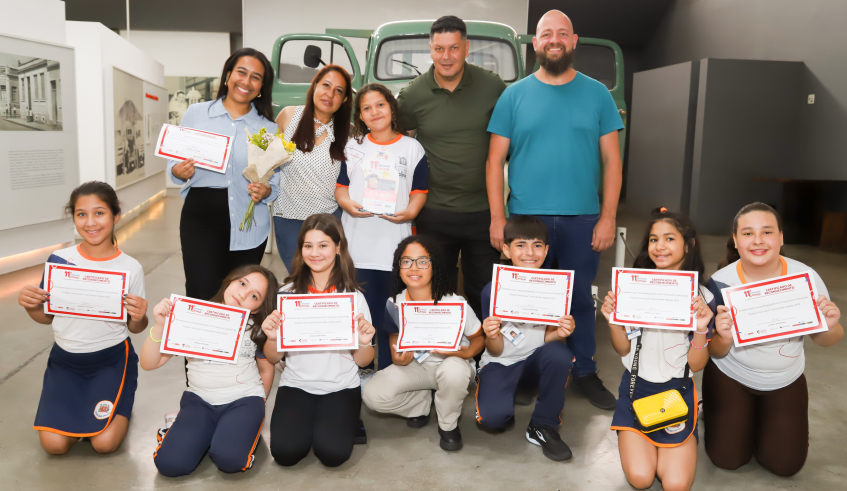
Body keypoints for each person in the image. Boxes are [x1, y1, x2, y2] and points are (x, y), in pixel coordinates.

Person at [486, 10, 625, 410]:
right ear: (535, 43)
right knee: (525, 302)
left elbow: (612, 161)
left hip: (583, 218)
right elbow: (495, 161)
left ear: (574, 40)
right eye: (547, 33)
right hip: (528, 220)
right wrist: (499, 218)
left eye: (562, 33)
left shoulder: (598, 93)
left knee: (580, 299)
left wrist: (609, 217)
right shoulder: (514, 95)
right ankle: (532, 368)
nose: (555, 39)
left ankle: (583, 371)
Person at [704, 203, 842, 477]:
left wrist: (830, 326)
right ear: (735, 240)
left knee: (785, 465)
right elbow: (715, 351)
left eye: (767, 232)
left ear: (781, 237)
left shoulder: (805, 278)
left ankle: (755, 421)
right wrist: (724, 336)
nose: (757, 240)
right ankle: (723, 412)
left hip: (784, 380)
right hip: (731, 377)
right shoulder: (720, 283)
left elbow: (827, 339)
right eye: (747, 233)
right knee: (727, 459)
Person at [18, 181, 148, 455]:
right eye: (81, 214)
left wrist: (139, 316)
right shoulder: (59, 260)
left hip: (110, 361)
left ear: (116, 216)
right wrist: (31, 306)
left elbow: (136, 327)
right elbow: (47, 318)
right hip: (65, 362)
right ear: (73, 217)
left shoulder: (130, 267)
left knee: (104, 444)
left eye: (99, 213)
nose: (90, 222)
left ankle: (122, 401)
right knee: (54, 446)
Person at [397, 15, 507, 320]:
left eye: (454, 48)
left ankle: (480, 357)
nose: (447, 57)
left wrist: (500, 217)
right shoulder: (412, 95)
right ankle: (440, 355)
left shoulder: (492, 87)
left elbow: (509, 140)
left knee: (484, 290)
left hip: (482, 211)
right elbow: (400, 150)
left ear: (466, 48)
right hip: (434, 211)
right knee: (435, 289)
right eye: (440, 49)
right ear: (430, 50)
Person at [600, 208, 714, 491]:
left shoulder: (703, 297)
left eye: (669, 239)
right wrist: (613, 322)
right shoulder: (632, 288)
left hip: (678, 394)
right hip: (635, 390)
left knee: (675, 484)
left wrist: (700, 328)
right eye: (653, 239)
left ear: (688, 245)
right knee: (640, 479)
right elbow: (623, 347)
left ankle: (687, 429)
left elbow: (697, 365)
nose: (659, 247)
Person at [261, 214, 376, 468]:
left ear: (337, 248)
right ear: (300, 249)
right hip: (296, 385)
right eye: (308, 245)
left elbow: (364, 361)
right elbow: (272, 358)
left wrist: (365, 342)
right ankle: (314, 423)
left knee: (333, 454)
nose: (315, 253)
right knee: (286, 453)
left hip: (341, 386)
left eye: (323, 245)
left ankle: (344, 420)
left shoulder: (353, 297)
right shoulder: (287, 294)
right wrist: (272, 338)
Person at [141, 265, 278, 477]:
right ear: (230, 281)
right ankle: (181, 429)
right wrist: (160, 325)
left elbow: (266, 370)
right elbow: (150, 363)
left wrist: (257, 408)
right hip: (199, 401)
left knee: (230, 460)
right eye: (242, 283)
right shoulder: (191, 316)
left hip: (243, 401)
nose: (243, 294)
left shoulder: (257, 327)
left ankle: (239, 430)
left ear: (258, 308)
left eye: (254, 295)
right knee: (170, 465)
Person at [168, 47, 280, 301]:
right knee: (201, 294)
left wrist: (266, 190)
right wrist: (178, 170)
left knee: (240, 300)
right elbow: (174, 164)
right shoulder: (197, 114)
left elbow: (273, 179)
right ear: (228, 76)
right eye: (241, 72)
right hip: (201, 220)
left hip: (248, 223)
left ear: (262, 86)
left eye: (255, 77)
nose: (246, 81)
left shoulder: (266, 128)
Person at [336, 83, 429, 371]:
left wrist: (411, 211)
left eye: (380, 105)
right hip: (357, 249)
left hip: (394, 250)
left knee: (391, 320)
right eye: (367, 108)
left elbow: (419, 191)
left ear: (391, 108)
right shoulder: (353, 147)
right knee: (360, 318)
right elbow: (341, 188)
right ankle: (358, 374)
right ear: (360, 117)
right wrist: (347, 204)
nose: (375, 112)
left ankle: (390, 375)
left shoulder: (412, 148)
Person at [362, 235, 484, 451]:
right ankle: (421, 405)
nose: (414, 268)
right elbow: (393, 336)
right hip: (416, 366)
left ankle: (448, 425)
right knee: (373, 395)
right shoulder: (394, 302)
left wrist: (461, 353)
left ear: (434, 266)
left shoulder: (455, 303)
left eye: (422, 261)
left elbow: (478, 339)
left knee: (454, 372)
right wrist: (398, 357)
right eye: (406, 261)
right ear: (399, 267)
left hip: (453, 364)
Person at [475, 215, 576, 462]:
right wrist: (491, 334)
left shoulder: (557, 288)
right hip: (502, 361)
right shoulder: (493, 290)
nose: (530, 252)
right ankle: (511, 390)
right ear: (507, 250)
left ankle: (543, 425)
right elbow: (495, 350)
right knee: (493, 419)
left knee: (561, 354)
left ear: (546, 250)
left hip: (535, 359)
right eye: (520, 245)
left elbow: (550, 344)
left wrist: (560, 334)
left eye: (537, 245)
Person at [273, 65, 353, 272]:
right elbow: (267, 160)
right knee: (298, 279)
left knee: (325, 282)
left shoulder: (349, 133)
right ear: (315, 85)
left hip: (329, 221)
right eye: (326, 85)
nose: (330, 94)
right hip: (288, 216)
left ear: (344, 99)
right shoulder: (289, 116)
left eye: (338, 91)